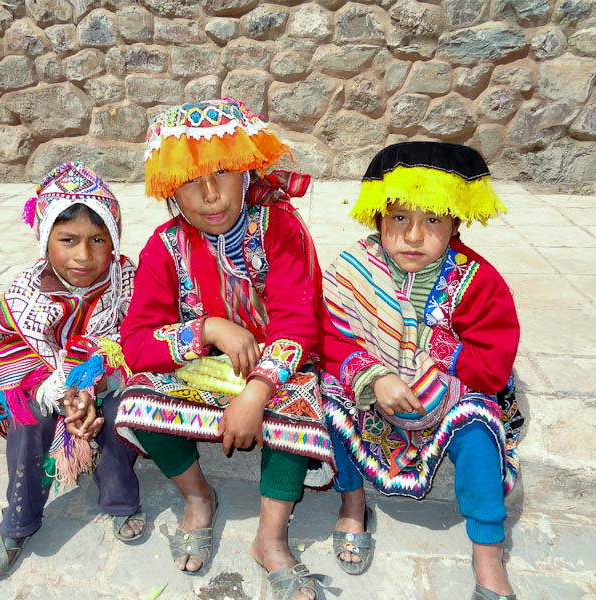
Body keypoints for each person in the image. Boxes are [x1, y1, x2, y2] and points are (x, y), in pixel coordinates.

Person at [114, 98, 334, 600]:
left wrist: (256, 393)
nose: (211, 196)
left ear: (247, 173)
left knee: (301, 401)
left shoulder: (280, 228)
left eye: (224, 175)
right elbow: (137, 341)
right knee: (136, 397)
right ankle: (198, 497)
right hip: (204, 370)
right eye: (192, 181)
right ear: (171, 187)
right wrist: (207, 328)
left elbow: (298, 327)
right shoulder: (163, 248)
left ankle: (271, 537)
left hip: (274, 364)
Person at [317, 142, 524, 599]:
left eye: (431, 220)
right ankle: (353, 504)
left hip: (451, 396)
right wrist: (375, 375)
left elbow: (491, 365)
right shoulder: (355, 269)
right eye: (399, 218)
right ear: (378, 219)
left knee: (479, 427)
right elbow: (329, 335)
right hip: (377, 396)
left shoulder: (478, 282)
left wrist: (440, 349)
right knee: (328, 399)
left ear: (456, 222)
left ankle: (487, 549)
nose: (413, 236)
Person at [0, 161, 145, 580]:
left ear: (114, 240)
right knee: (26, 417)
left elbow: (141, 339)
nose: (83, 255)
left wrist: (97, 383)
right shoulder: (25, 291)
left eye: (98, 240)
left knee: (123, 411)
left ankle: (120, 497)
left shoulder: (129, 282)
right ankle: (19, 520)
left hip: (109, 382)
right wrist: (45, 384)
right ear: (45, 240)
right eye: (68, 240)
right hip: (45, 383)